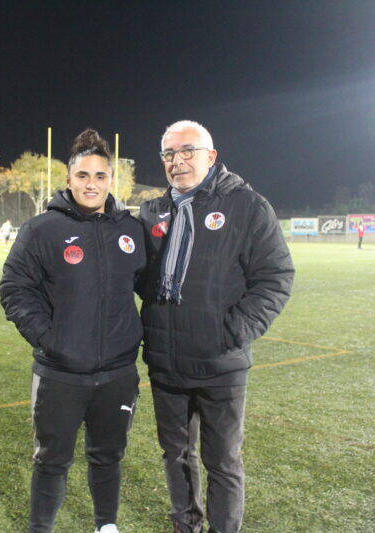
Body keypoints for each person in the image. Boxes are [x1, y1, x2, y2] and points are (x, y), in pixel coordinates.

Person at [138, 120, 294, 533]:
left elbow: (276, 277)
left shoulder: (246, 205)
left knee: (222, 460)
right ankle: (185, 523)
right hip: (165, 360)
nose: (178, 161)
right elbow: (135, 275)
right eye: (169, 154)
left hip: (219, 361)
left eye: (187, 150)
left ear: (211, 155)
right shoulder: (152, 211)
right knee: (175, 453)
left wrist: (234, 332)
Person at [0, 129, 146, 533]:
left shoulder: (130, 231)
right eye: (83, 176)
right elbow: (15, 289)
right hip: (61, 373)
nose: (92, 184)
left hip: (118, 373)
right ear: (68, 179)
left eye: (100, 176)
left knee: (108, 455)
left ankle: (106, 526)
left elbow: (148, 291)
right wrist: (51, 341)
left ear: (111, 181)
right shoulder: (41, 229)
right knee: (52, 459)